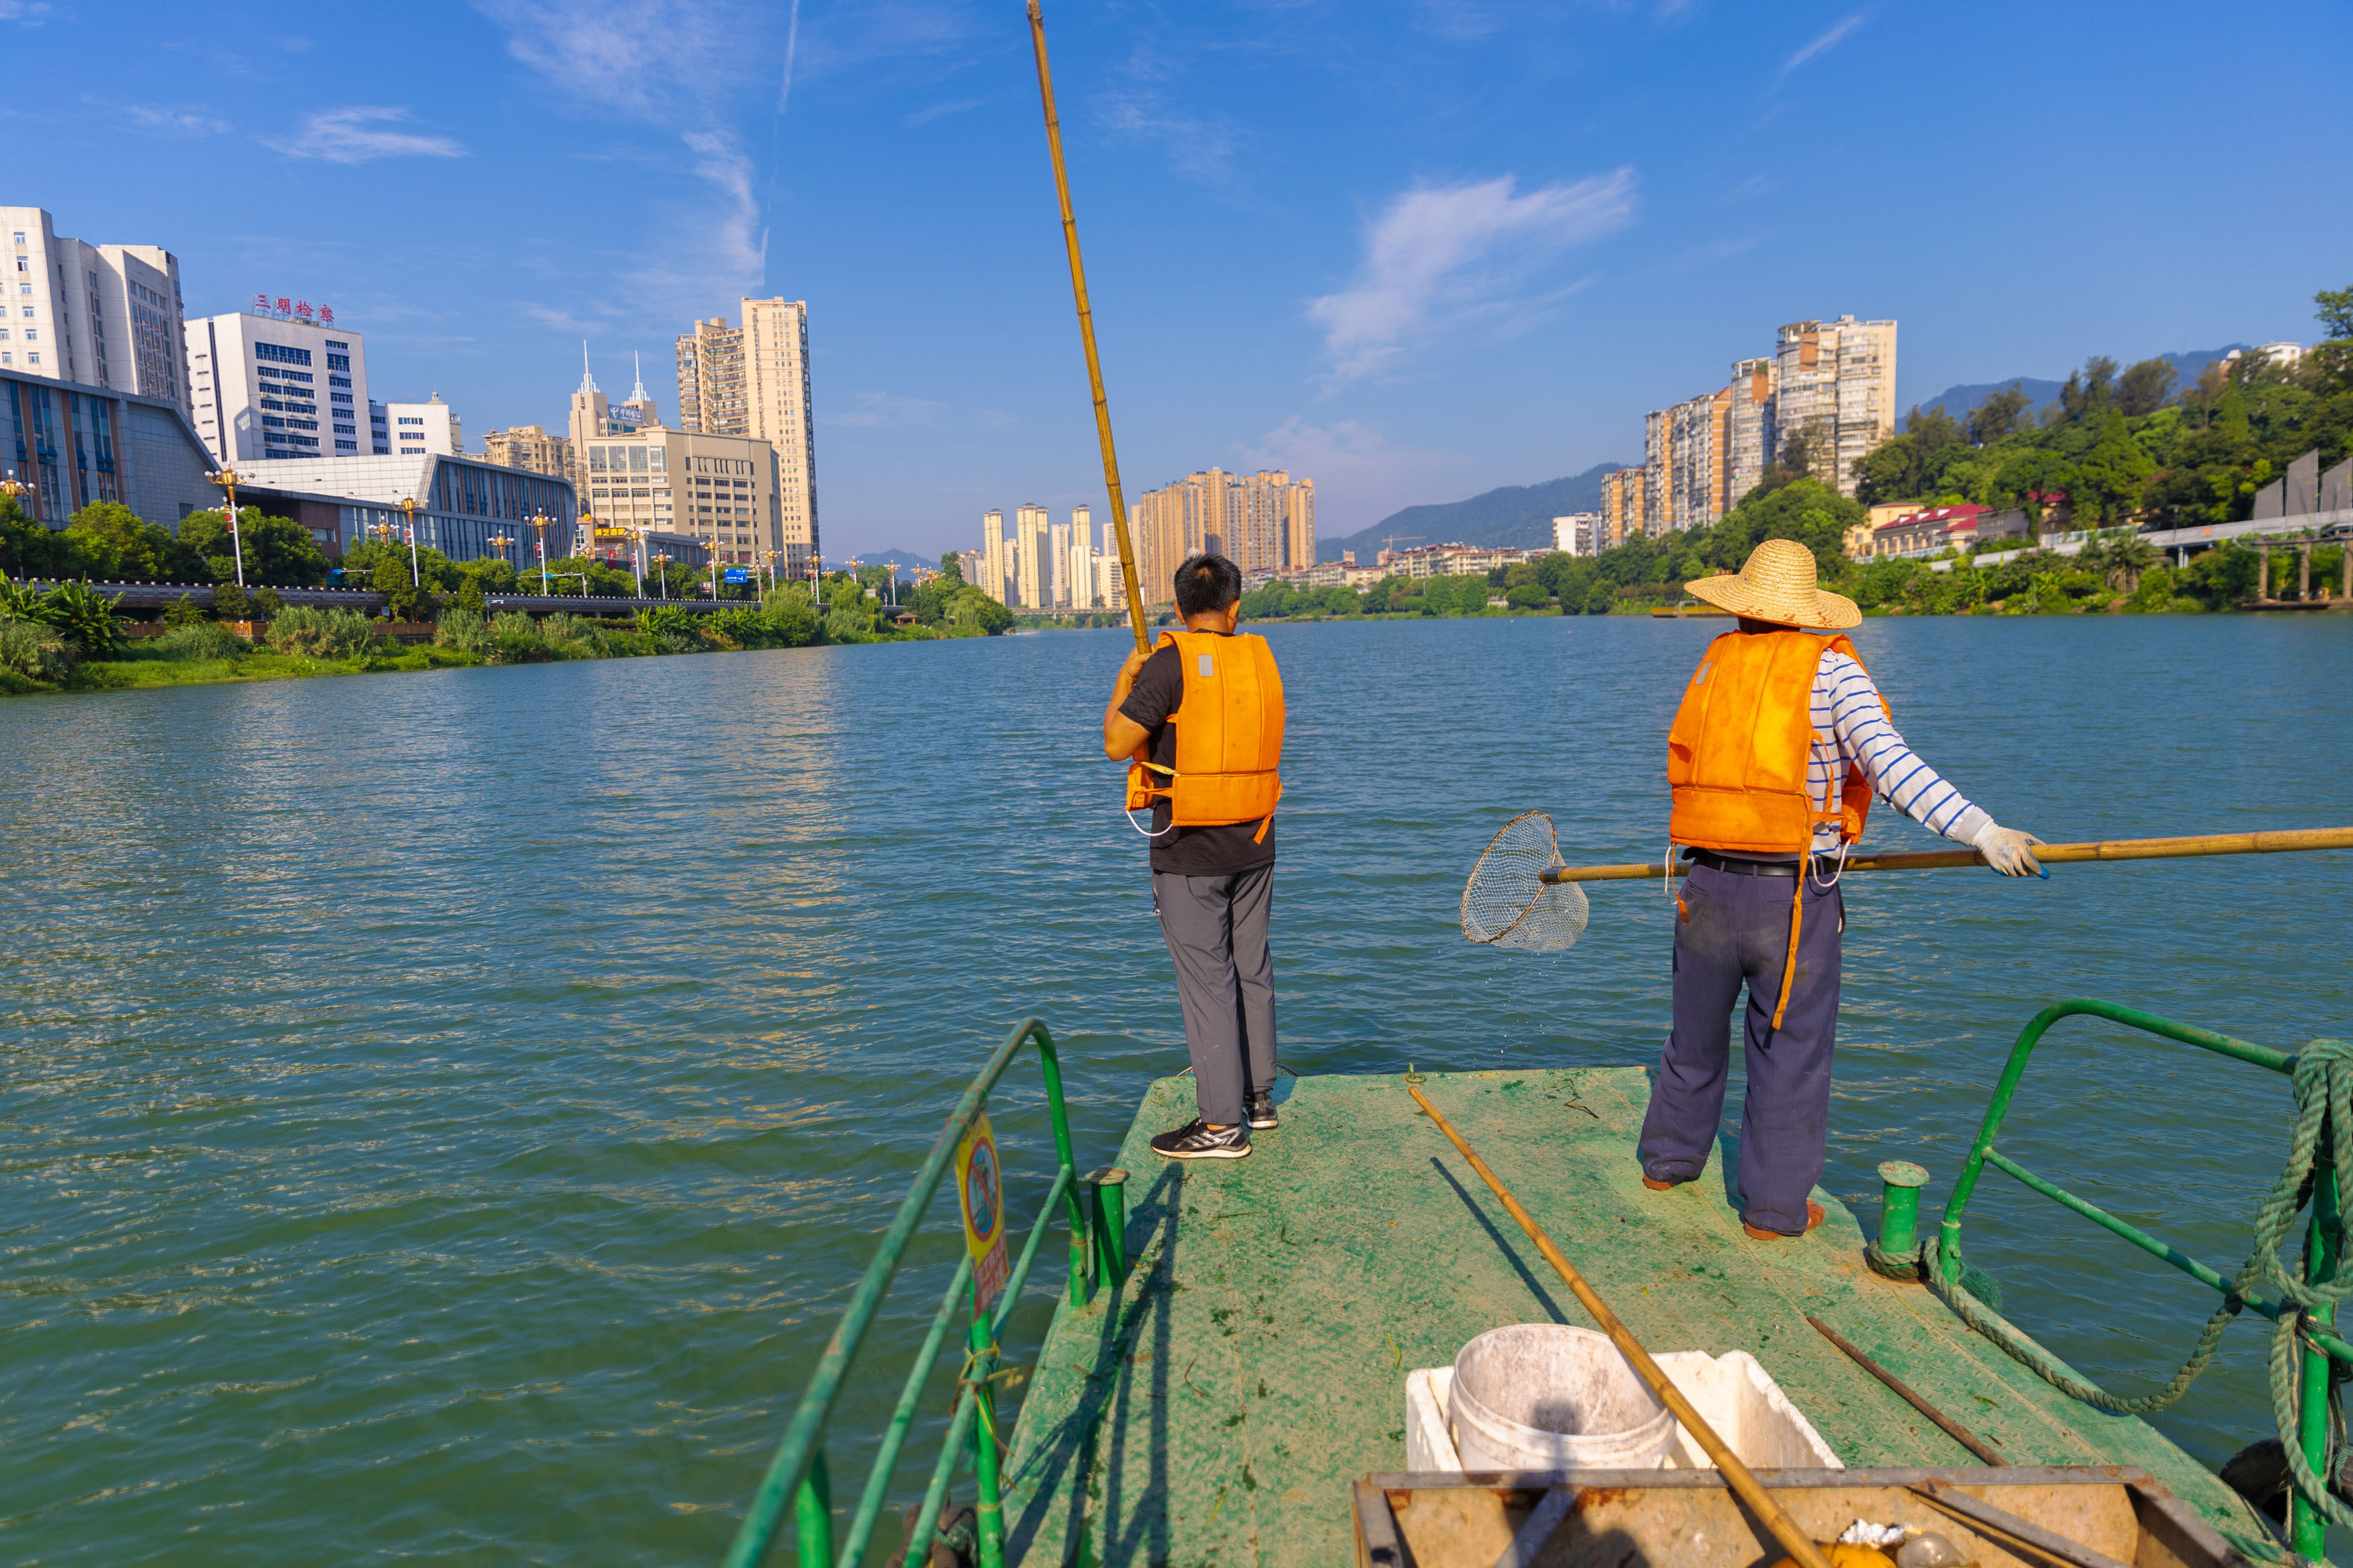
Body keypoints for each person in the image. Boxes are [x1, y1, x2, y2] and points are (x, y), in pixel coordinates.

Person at [1636, 539, 2045, 1239]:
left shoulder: (1713, 663)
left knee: (1693, 1037)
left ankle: (1666, 1161)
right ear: (1806, 610)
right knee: (1789, 1051)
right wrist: (1980, 828)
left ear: (1741, 604)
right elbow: (1888, 765)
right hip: (1789, 898)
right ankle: (1770, 1209)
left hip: (1701, 885)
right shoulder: (1829, 671)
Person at [1102, 553, 1285, 1161]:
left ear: (1178, 610)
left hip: (1190, 852)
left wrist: (1127, 679)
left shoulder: (1168, 663)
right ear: (1236, 609)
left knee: (1207, 982)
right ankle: (1259, 1100)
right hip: (1255, 843)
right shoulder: (1259, 659)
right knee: (1251, 966)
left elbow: (1115, 743)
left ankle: (1219, 1127)